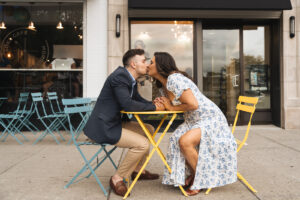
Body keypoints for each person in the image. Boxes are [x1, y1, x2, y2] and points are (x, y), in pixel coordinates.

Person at [147, 52, 237, 196]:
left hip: (210, 118)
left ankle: (200, 180)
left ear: (160, 65)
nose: (147, 65)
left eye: (151, 62)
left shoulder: (174, 79)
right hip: (193, 120)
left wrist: (170, 107)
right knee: (175, 139)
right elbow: (176, 104)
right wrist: (164, 104)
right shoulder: (163, 85)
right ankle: (195, 174)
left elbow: (193, 104)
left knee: (185, 141)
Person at [83, 49, 165, 197]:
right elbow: (127, 104)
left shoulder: (130, 79)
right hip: (104, 127)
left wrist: (154, 103)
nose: (146, 64)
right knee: (142, 144)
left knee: (148, 129)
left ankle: (137, 170)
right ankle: (117, 178)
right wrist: (154, 107)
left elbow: (137, 100)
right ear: (133, 64)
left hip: (115, 122)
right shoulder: (120, 77)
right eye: (143, 61)